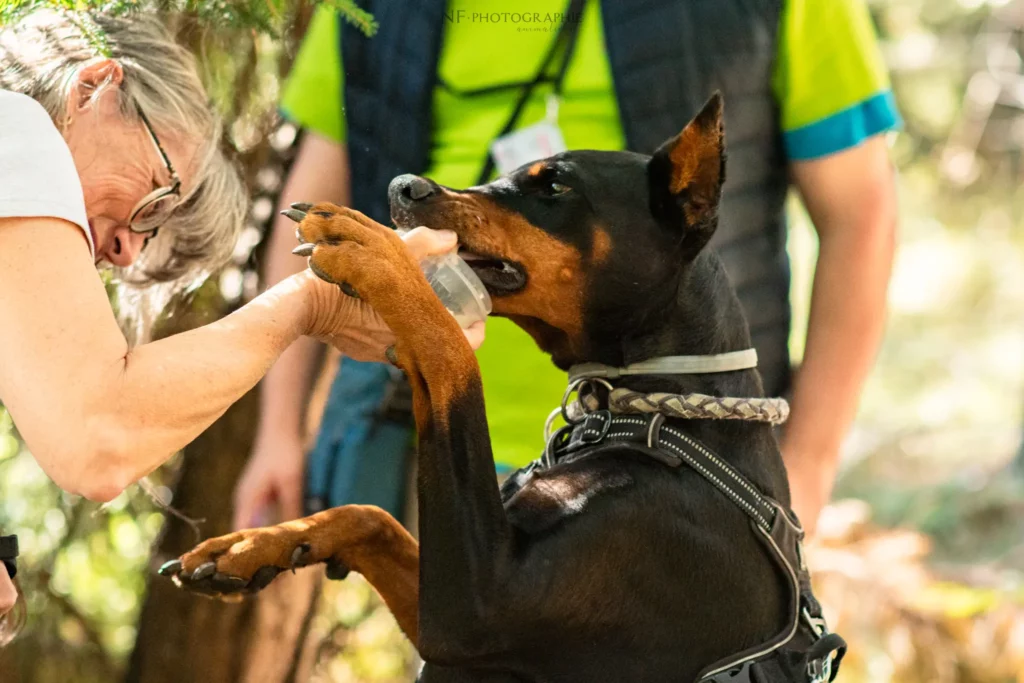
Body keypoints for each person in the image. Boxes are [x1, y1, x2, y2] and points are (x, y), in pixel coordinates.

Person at [236, 0, 900, 538]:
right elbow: (316, 209)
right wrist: (277, 431)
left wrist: (807, 465)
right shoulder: (367, 5)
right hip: (434, 443)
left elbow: (861, 217)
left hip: (682, 460)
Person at [0, 8, 484, 623]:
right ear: (97, 87)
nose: (124, 253)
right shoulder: (15, 125)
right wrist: (313, 300)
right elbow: (98, 438)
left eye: (149, 236)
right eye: (158, 196)